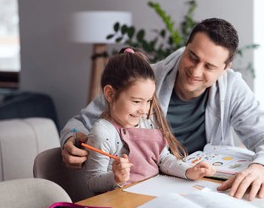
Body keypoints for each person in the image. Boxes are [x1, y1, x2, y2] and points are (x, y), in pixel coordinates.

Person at [60, 18, 264, 200]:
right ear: (185, 46)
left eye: (209, 66)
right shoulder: (146, 82)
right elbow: (79, 122)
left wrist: (261, 169)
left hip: (201, 188)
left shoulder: (232, 87)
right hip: (143, 190)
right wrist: (70, 139)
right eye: (192, 56)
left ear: (225, 68)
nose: (196, 71)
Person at [84, 47, 215, 194]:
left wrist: (188, 171)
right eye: (136, 101)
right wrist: (116, 178)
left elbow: (163, 158)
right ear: (110, 94)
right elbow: (92, 181)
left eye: (148, 101)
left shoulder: (147, 120)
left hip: (152, 195)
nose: (144, 110)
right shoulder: (103, 132)